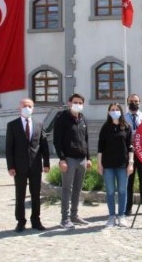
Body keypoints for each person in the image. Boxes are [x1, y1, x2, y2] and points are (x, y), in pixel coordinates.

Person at [5, 98, 50, 232]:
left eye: (29, 106)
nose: (27, 108)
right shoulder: (12, 125)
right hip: (19, 166)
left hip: (35, 165)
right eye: (24, 106)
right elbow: (9, 148)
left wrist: (46, 163)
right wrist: (10, 166)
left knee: (35, 194)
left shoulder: (39, 124)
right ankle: (20, 221)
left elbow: (44, 145)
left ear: (33, 108)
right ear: (19, 107)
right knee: (20, 194)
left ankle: (36, 221)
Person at [53, 93, 92, 229]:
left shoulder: (83, 119)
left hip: (81, 159)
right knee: (67, 189)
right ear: (69, 103)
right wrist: (62, 159)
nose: (78, 104)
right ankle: (65, 218)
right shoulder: (61, 117)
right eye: (75, 102)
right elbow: (57, 140)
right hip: (68, 159)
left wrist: (88, 158)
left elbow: (85, 140)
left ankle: (74, 215)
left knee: (77, 189)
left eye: (80, 102)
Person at [97, 103, 134, 227]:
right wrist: (99, 164)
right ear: (108, 112)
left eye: (117, 109)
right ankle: (112, 216)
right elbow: (100, 148)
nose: (114, 111)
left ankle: (121, 215)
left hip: (123, 165)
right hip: (108, 165)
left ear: (121, 111)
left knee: (122, 191)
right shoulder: (105, 127)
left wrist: (131, 163)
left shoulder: (127, 127)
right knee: (110, 191)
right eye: (112, 110)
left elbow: (130, 147)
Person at [124, 94, 142, 216]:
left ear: (140, 102)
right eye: (131, 101)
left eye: (136, 101)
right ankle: (128, 207)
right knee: (128, 182)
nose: (133, 103)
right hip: (127, 154)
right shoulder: (122, 118)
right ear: (127, 102)